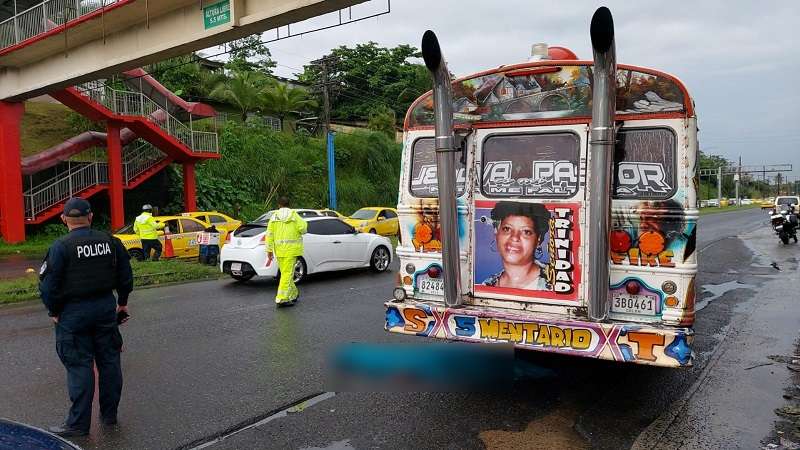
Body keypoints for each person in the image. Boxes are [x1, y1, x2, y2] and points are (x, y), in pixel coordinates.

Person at [38, 197, 133, 437]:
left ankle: (78, 424)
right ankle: (109, 416)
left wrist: (54, 311)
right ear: (90, 217)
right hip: (104, 308)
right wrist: (122, 303)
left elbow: (48, 286)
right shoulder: (110, 241)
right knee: (109, 362)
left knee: (80, 366)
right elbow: (125, 274)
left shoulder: (61, 246)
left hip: (73, 313)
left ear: (63, 220)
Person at [483, 201, 551, 290]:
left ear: (538, 239)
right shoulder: (488, 285)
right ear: (496, 232)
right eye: (507, 229)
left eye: (526, 232)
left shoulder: (556, 280)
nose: (514, 238)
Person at [266, 197, 307, 306]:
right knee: (287, 274)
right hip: (291, 250)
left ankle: (293, 294)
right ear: (289, 204)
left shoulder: (274, 217)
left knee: (286, 274)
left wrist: (269, 250)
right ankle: (282, 298)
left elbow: (269, 234)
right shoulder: (294, 215)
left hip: (279, 250)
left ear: (279, 205)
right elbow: (303, 228)